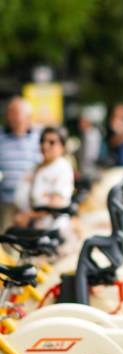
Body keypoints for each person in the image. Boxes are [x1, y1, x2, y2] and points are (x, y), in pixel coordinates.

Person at [14, 126, 77, 255]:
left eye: (52, 142)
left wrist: (28, 216)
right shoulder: (36, 167)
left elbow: (56, 204)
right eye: (42, 141)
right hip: (34, 230)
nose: (45, 145)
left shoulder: (62, 168)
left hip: (54, 233)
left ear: (62, 146)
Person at [0, 96, 41, 232]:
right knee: (6, 239)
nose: (14, 117)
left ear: (29, 117)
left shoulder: (39, 138)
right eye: (11, 113)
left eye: (18, 113)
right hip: (5, 200)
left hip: (31, 202)